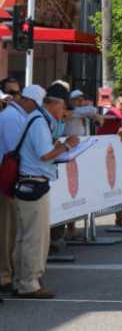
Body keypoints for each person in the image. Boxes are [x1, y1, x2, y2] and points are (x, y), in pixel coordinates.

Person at [13, 84, 79, 298]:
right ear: (55, 104)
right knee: (35, 238)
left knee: (25, 237)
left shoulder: (37, 119)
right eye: (63, 107)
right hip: (34, 184)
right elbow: (45, 154)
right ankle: (29, 283)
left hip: (28, 183)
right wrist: (67, 145)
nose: (64, 112)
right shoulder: (40, 122)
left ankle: (22, 280)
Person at [0, 85, 43, 295]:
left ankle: (10, 273)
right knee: (7, 231)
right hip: (7, 181)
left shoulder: (15, 116)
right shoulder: (11, 117)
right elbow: (14, 150)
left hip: (11, 180)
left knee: (13, 231)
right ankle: (5, 275)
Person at [96, 94, 122, 226]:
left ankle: (121, 216)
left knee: (118, 184)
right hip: (101, 152)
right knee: (110, 185)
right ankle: (121, 216)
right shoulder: (113, 112)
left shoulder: (120, 113)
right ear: (115, 103)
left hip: (111, 153)